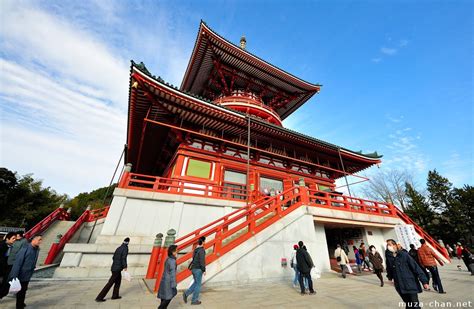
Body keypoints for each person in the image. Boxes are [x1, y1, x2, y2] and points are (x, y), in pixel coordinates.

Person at [386, 239, 429, 309]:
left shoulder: (404, 255)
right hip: (399, 285)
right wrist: (390, 278)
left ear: (394, 245)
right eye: (387, 245)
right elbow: (389, 269)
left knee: (415, 306)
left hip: (410, 283)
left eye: (389, 245)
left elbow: (416, 267)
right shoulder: (389, 257)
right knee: (408, 305)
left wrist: (424, 281)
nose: (388, 246)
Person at [9, 234, 42, 309]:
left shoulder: (36, 249)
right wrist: (14, 275)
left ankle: (21, 303)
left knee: (23, 290)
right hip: (21, 274)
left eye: (41, 240)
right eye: (39, 239)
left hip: (27, 274)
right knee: (20, 292)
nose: (40, 241)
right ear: (34, 239)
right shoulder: (25, 248)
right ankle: (19, 306)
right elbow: (18, 262)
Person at [96, 237, 130, 302]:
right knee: (110, 283)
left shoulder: (118, 248)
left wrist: (117, 264)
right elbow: (123, 258)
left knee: (118, 281)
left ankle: (115, 295)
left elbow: (113, 257)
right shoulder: (125, 248)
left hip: (114, 267)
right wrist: (125, 266)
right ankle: (99, 297)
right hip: (117, 269)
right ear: (128, 242)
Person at [183, 236, 206, 305]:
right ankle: (194, 300)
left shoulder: (196, 250)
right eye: (205, 241)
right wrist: (204, 269)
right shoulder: (201, 250)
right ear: (203, 242)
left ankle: (186, 293)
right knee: (198, 285)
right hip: (198, 269)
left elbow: (194, 259)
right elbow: (202, 261)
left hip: (193, 268)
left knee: (195, 283)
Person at [157, 245, 178, 309]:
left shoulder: (168, 259)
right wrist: (174, 284)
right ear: (173, 252)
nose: (177, 251)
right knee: (168, 297)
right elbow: (172, 273)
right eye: (176, 250)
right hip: (168, 282)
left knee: (164, 297)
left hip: (164, 279)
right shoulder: (172, 261)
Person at [0, 232, 16, 299]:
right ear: (7, 239)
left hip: (6, 269)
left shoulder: (10, 246)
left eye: (15, 238)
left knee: (5, 287)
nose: (14, 240)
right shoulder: (1, 246)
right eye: (13, 238)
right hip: (1, 270)